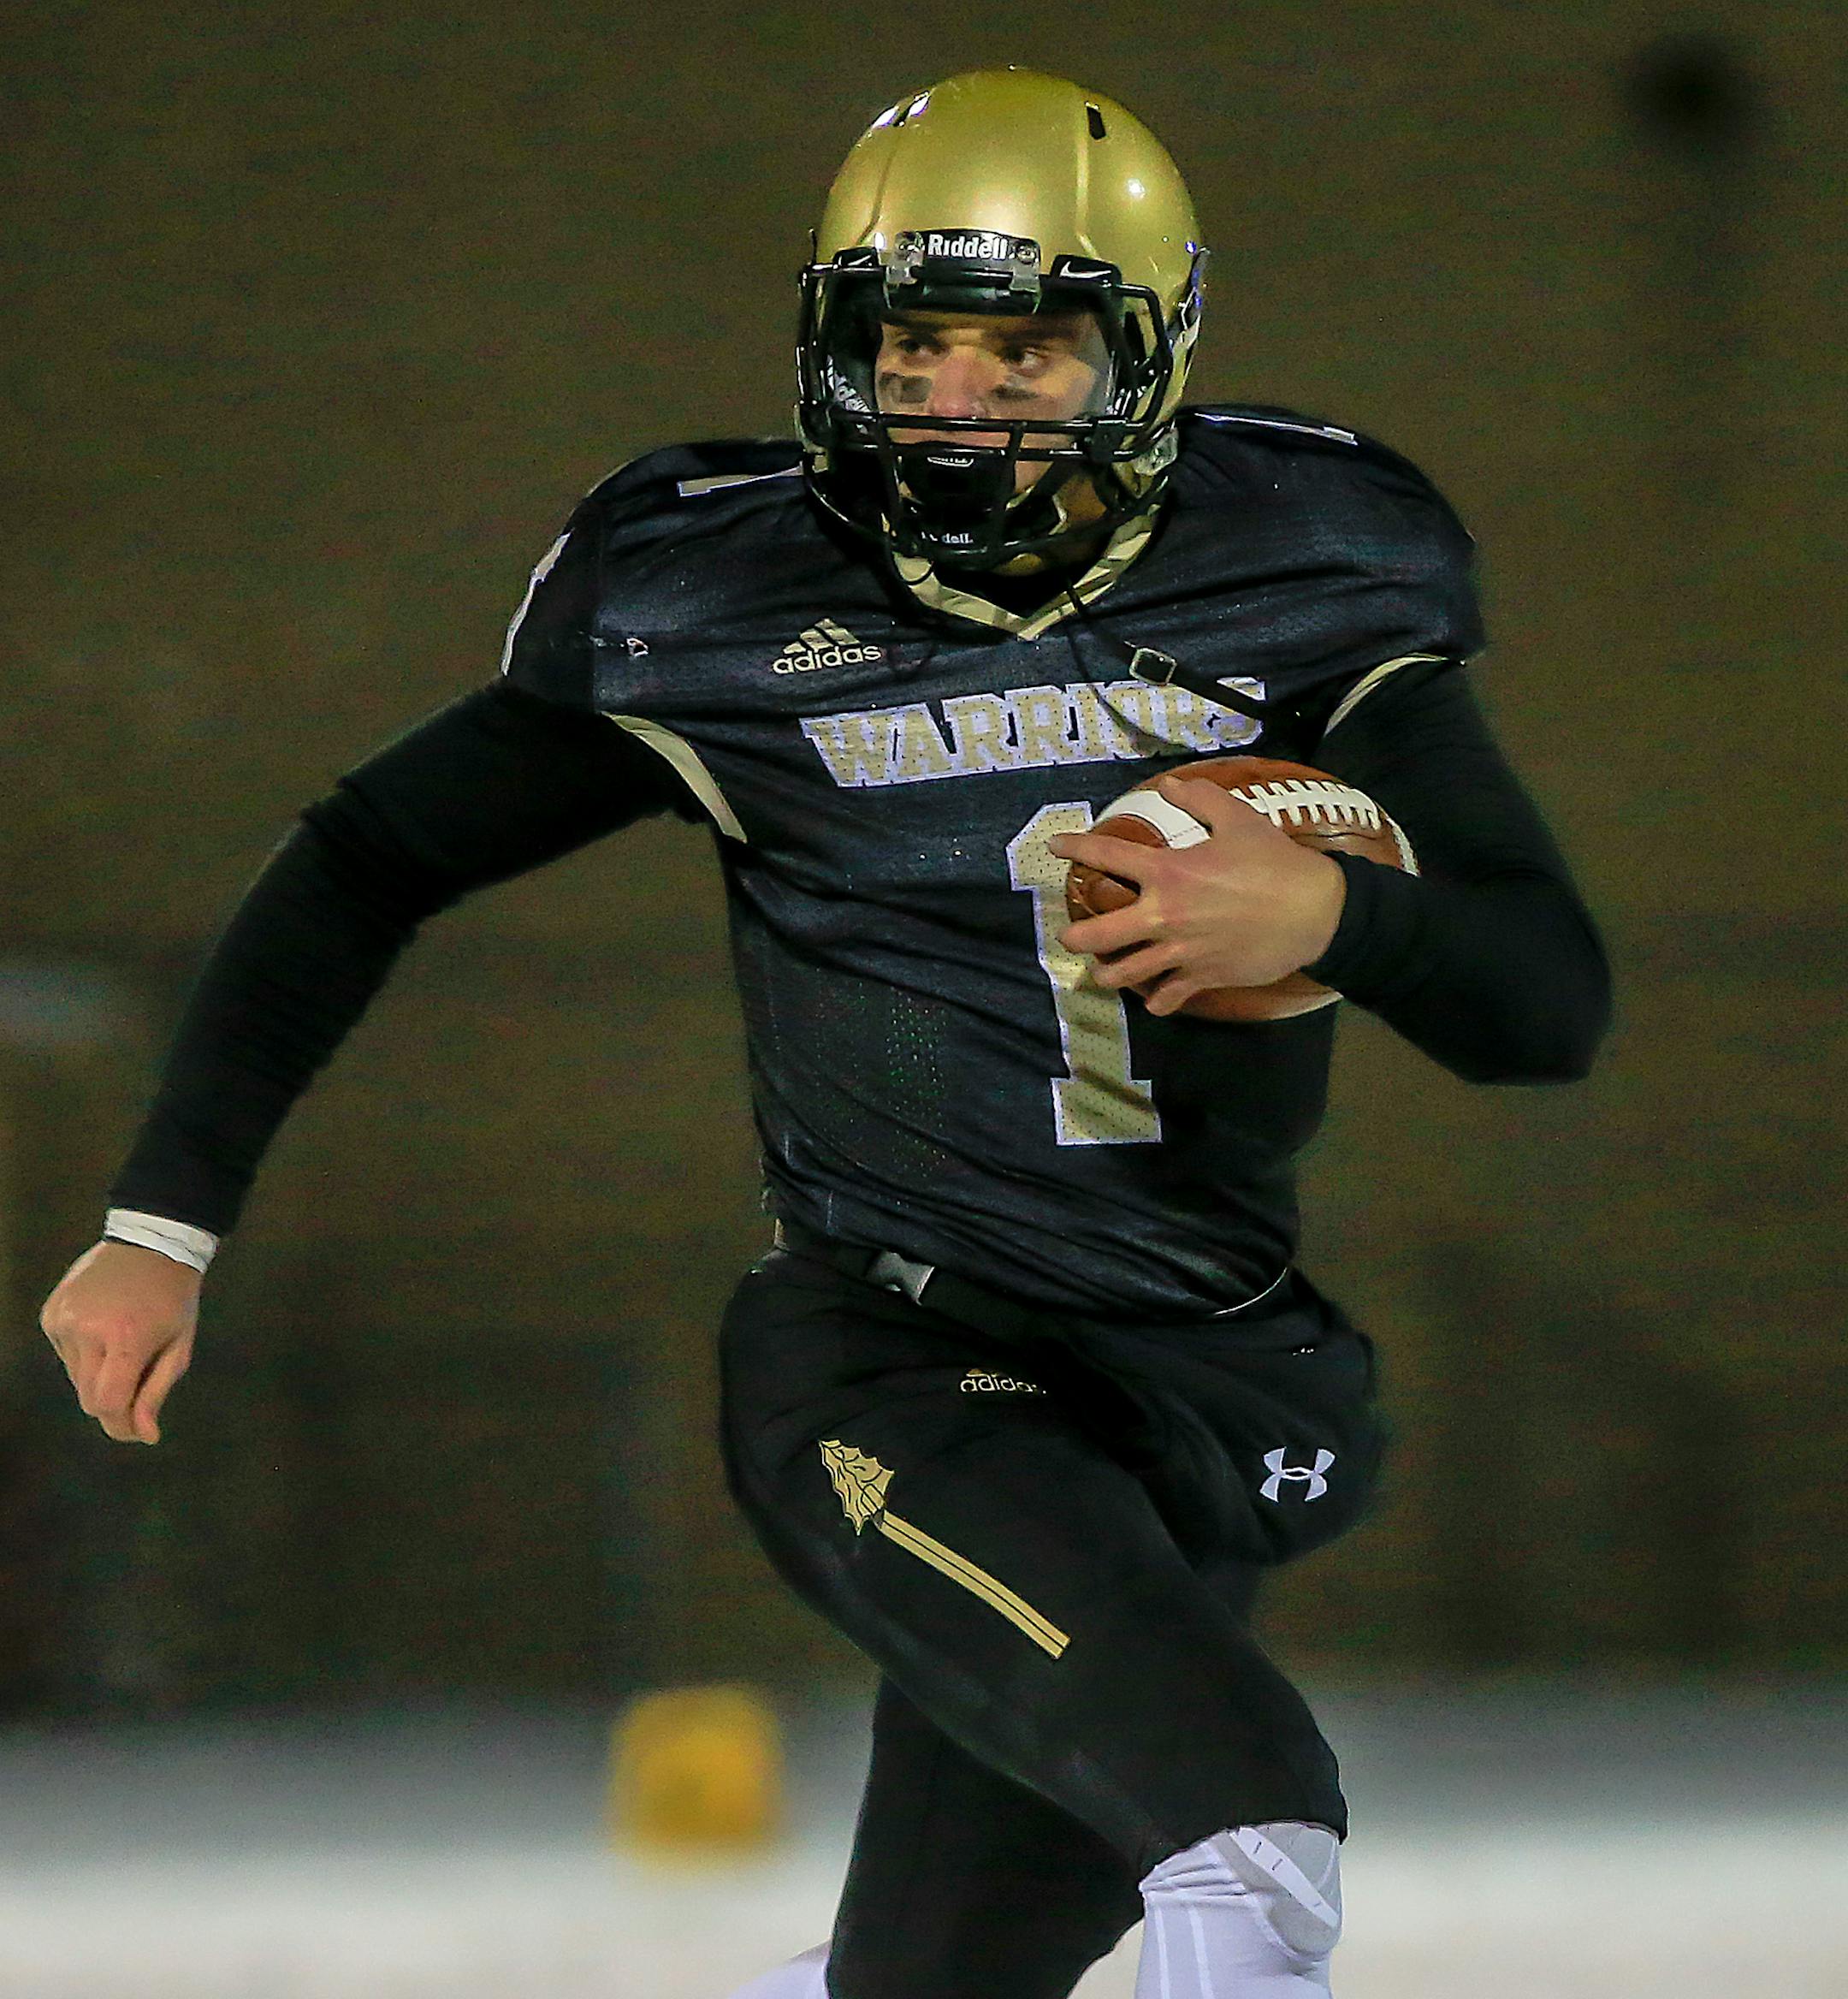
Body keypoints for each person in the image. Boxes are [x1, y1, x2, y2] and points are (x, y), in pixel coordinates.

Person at [38, 68, 1608, 1999]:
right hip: (895, 1350)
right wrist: (161, 1218)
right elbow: (368, 854)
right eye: (914, 344)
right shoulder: (708, 590)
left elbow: (1548, 1005)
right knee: (1249, 1827)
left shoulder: (1308, 566)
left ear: (1148, 349)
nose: (957, 398)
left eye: (1026, 348)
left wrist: (1342, 917)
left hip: (1201, 1373)